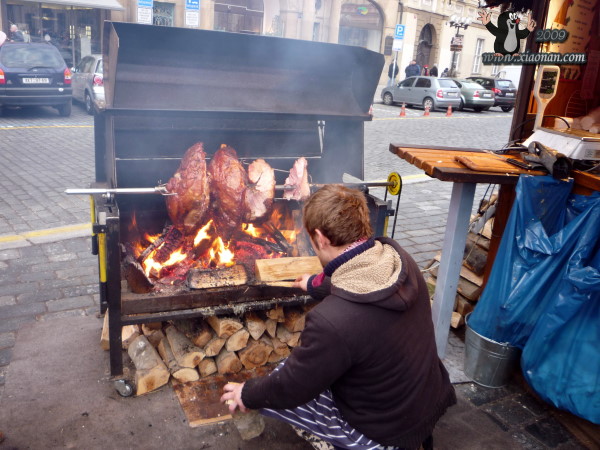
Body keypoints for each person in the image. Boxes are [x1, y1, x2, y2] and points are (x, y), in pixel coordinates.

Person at [221, 185, 457, 450]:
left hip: (383, 430)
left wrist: (248, 393)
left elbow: (292, 386)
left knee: (283, 377)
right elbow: (365, 281)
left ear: (321, 238)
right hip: (427, 399)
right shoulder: (399, 261)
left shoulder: (331, 322)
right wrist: (316, 284)